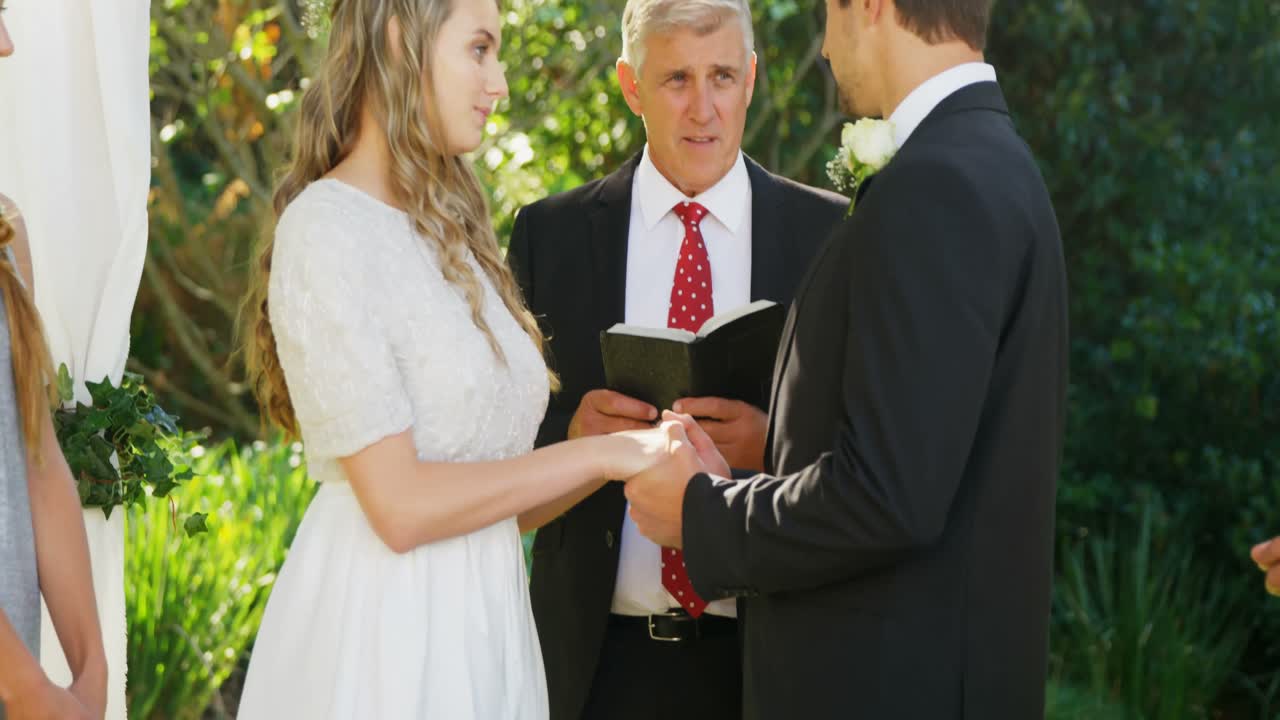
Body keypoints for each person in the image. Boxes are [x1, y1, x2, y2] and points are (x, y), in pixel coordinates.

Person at [234, 0, 683, 717]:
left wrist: (593, 451)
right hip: (386, 636)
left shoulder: (451, 231)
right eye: (479, 49)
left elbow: (494, 505)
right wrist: (604, 455)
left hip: (485, 629)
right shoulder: (325, 229)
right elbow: (401, 508)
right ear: (398, 38)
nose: (498, 82)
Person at [624, 0, 1069, 717]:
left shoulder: (937, 184)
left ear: (867, 7)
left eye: (827, 13)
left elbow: (887, 496)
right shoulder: (988, 160)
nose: (827, 47)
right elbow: (921, 466)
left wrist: (703, 513)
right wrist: (737, 478)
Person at [506, 0, 845, 717]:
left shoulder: (831, 235)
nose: (703, 108)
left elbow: (869, 459)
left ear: (750, 78)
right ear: (631, 86)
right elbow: (495, 469)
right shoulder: (550, 236)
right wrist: (576, 443)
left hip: (769, 666)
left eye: (721, 76)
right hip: (596, 670)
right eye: (676, 80)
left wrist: (773, 445)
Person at [0, 14, 109, 720]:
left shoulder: (6, 232)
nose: (6, 42)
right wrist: (31, 690)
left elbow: (36, 458)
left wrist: (92, 674)